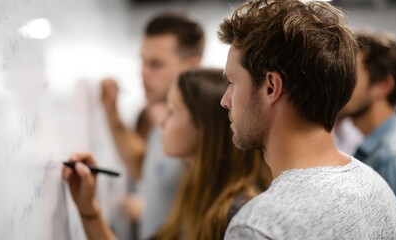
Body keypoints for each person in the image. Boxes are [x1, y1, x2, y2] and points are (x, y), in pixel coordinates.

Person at [218, 0, 396, 239]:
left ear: (271, 87)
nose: (225, 100)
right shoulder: (376, 187)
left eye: (232, 83)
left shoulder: (258, 226)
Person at [62, 68, 272, 240]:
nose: (161, 122)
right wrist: (88, 208)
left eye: (172, 111)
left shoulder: (236, 215)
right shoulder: (194, 193)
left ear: (203, 129)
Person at [101, 12, 204, 239]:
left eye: (155, 64)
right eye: (143, 61)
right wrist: (112, 114)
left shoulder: (203, 132)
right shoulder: (167, 118)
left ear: (191, 68)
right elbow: (144, 168)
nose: (143, 73)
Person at [338, 30, 396, 202]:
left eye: (351, 76)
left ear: (383, 85)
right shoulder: (376, 150)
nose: (340, 85)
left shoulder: (390, 158)